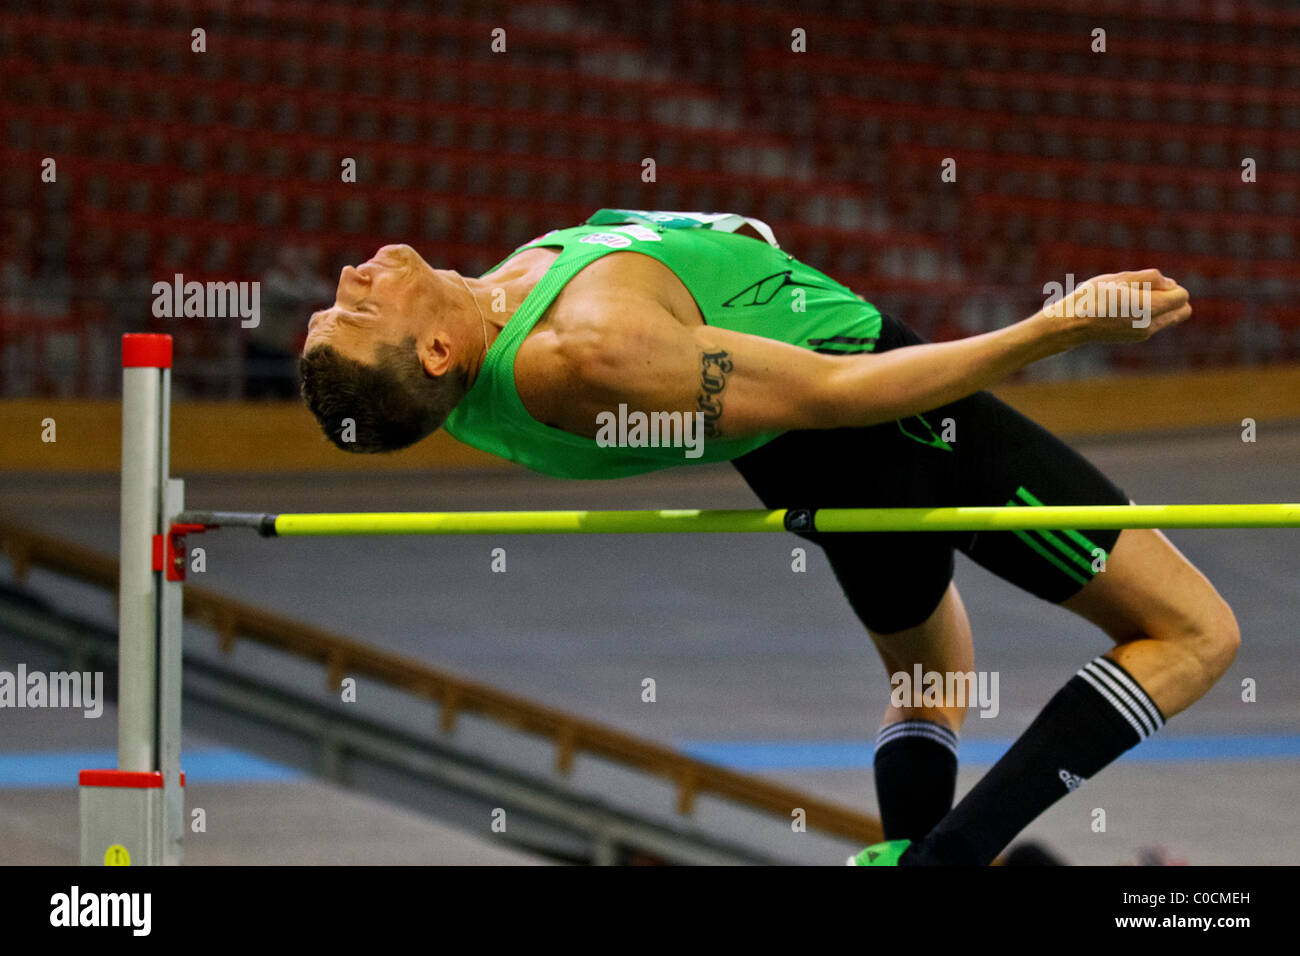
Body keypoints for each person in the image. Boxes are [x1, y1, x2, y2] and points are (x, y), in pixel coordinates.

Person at [298, 210, 1236, 866]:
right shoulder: (587, 349)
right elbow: (833, 392)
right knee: (1194, 634)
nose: (348, 278)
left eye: (334, 305)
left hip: (802, 459)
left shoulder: (475, 345)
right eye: (354, 309)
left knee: (934, 672)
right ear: (433, 353)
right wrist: (1055, 327)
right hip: (887, 422)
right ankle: (948, 861)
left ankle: (906, 852)